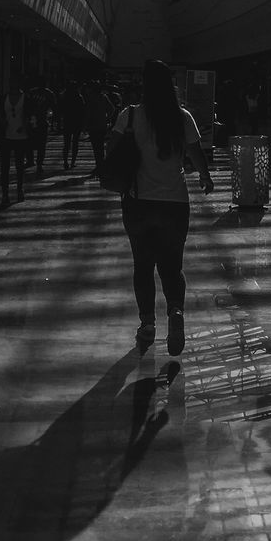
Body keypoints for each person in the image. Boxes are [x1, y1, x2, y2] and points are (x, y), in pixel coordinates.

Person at [106, 59, 214, 355]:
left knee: (143, 266)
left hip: (138, 201)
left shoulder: (129, 116)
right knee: (172, 265)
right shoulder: (182, 117)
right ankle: (176, 312)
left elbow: (111, 149)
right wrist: (205, 177)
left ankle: (147, 324)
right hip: (174, 203)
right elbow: (196, 153)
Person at [0, 79, 29, 207]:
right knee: (5, 166)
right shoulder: (4, 98)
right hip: (6, 135)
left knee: (19, 165)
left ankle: (19, 189)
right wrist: (2, 123)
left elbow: (29, 114)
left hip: (21, 135)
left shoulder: (25, 98)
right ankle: (5, 193)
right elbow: (0, 113)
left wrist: (25, 125)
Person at [85, 81, 116, 179]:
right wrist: (107, 119)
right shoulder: (104, 97)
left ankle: (99, 165)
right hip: (102, 125)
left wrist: (85, 125)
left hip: (93, 125)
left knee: (96, 146)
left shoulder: (90, 98)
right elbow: (112, 109)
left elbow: (88, 113)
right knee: (100, 146)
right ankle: (101, 165)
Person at [25, 79, 56, 176]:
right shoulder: (49, 94)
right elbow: (53, 107)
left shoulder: (31, 92)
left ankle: (30, 160)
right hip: (42, 120)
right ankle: (39, 163)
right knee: (41, 144)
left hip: (32, 120)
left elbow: (26, 106)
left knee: (29, 141)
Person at [58, 80, 86, 170]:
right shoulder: (79, 97)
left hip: (67, 122)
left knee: (66, 143)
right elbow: (83, 110)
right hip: (77, 122)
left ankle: (65, 162)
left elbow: (60, 110)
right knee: (75, 143)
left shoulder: (64, 97)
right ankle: (73, 162)